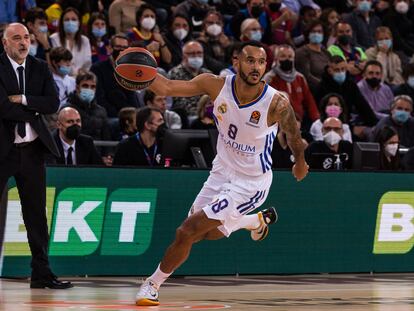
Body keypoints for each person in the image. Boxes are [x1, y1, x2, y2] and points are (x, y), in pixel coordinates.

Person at [134, 41, 309, 306]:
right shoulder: (215, 85)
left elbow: (294, 135)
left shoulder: (276, 102)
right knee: (208, 233)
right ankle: (253, 222)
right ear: (236, 61)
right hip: (221, 170)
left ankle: (152, 284)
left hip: (250, 182)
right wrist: (139, 68)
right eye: (250, 60)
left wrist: (300, 162)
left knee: (187, 231)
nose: (256, 67)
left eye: (261, 62)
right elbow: (166, 87)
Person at [0, 23, 72, 289]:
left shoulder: (40, 67)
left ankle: (41, 273)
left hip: (32, 151)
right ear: (5, 43)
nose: (23, 42)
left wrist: (22, 99)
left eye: (26, 38)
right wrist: (31, 107)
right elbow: (2, 108)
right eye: (16, 38)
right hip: (3, 150)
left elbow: (53, 103)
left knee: (36, 216)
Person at [264, 44, 319, 129]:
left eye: (290, 57)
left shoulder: (300, 78)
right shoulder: (269, 78)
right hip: (277, 124)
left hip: (300, 122)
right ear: (276, 59)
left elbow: (309, 101)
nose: (287, 59)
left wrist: (317, 120)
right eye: (283, 56)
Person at [168, 41, 211, 117]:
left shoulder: (208, 74)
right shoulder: (174, 74)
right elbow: (178, 103)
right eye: (192, 54)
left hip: (208, 116)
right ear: (184, 55)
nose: (196, 56)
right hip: (188, 117)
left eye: (199, 53)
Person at [50, 7, 92, 75]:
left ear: (79, 23)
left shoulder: (85, 40)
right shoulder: (54, 39)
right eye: (67, 20)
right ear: (62, 23)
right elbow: (55, 63)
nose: (70, 22)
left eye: (73, 19)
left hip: (80, 79)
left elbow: (87, 64)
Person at [295, 20, 331, 93]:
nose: (316, 34)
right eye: (313, 31)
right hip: (313, 89)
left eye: (319, 32)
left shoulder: (326, 52)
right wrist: (324, 85)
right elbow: (307, 76)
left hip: (327, 87)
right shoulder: (302, 52)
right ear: (308, 34)